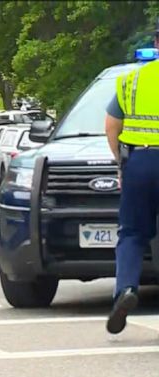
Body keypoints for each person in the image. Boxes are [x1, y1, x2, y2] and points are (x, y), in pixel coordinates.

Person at [104, 27, 159, 334]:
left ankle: (125, 289)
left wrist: (121, 165)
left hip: (139, 162)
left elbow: (111, 125)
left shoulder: (132, 80)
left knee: (132, 234)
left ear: (156, 43)